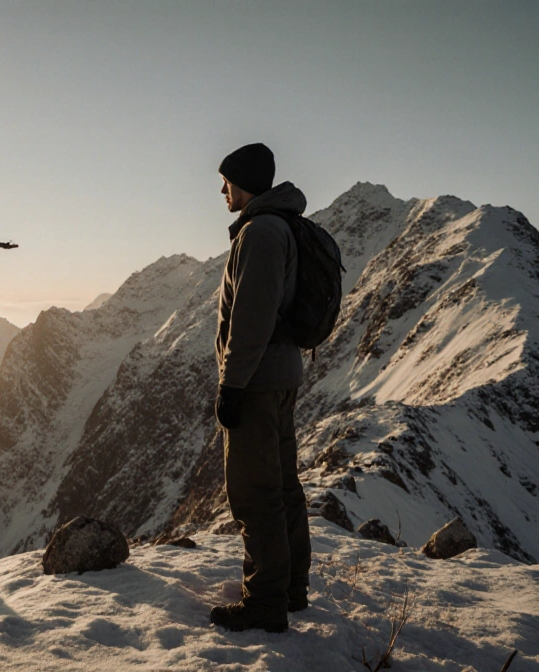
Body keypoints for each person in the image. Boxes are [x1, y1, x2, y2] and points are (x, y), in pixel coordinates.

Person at [210, 142, 312, 633]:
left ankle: (266, 602)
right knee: (282, 486)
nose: (221, 189)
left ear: (243, 181)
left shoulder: (261, 232)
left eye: (226, 180)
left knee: (255, 493)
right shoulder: (278, 226)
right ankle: (290, 587)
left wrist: (231, 386)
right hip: (279, 376)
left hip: (257, 382)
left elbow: (249, 320)